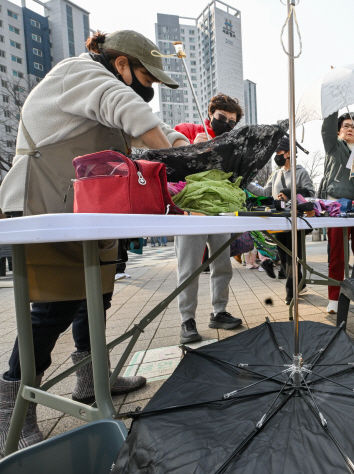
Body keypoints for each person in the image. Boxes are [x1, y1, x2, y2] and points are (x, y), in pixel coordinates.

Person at [0, 30, 190, 454]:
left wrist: (184, 144)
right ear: (120, 62)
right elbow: (131, 113)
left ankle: (91, 379)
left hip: (89, 205)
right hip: (44, 200)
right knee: (53, 305)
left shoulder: (104, 84)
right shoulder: (81, 73)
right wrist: (185, 162)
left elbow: (146, 136)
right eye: (147, 77)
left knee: (96, 295)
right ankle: (13, 406)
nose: (150, 88)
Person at [173, 93, 244, 344]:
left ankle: (219, 311)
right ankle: (187, 319)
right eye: (222, 118)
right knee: (189, 267)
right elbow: (169, 160)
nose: (226, 124)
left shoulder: (230, 145)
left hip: (220, 211)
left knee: (222, 264)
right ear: (210, 113)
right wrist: (191, 145)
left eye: (232, 122)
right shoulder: (188, 130)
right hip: (193, 211)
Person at [319, 112, 354, 314]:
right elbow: (326, 129)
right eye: (345, 125)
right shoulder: (334, 146)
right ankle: (334, 298)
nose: (350, 128)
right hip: (337, 206)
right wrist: (332, 107)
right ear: (337, 130)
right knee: (336, 255)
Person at [248, 136, 315, 305]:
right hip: (279, 221)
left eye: (279, 152)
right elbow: (264, 192)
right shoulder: (275, 174)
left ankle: (291, 293)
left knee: (292, 257)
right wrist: (246, 183)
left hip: (296, 220)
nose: (276, 155)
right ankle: (300, 283)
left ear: (289, 153)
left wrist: (290, 192)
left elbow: (311, 193)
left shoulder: (301, 172)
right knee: (284, 257)